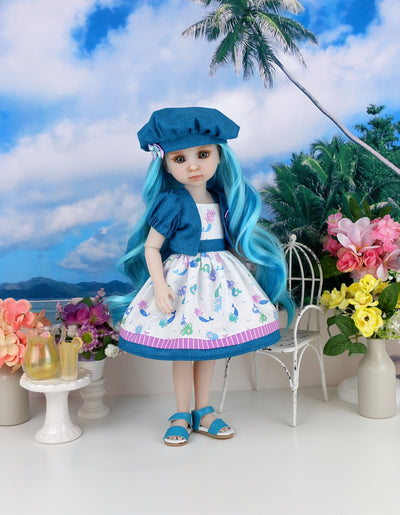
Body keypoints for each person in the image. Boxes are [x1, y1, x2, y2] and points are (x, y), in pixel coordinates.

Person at [110, 107, 294, 446]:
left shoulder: (222, 199)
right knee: (183, 352)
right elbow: (152, 248)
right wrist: (160, 286)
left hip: (217, 285)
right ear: (165, 165)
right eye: (180, 159)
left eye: (203, 155)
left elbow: (228, 241)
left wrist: (244, 273)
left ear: (220, 156)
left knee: (208, 349)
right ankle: (181, 413)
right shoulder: (172, 202)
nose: (193, 166)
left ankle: (204, 410)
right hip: (182, 284)